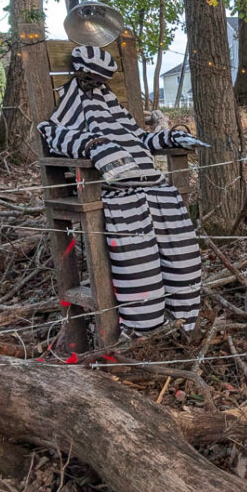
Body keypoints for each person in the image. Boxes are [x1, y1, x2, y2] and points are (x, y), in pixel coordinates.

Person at [38, 45, 205, 335]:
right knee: (140, 269)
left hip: (157, 188)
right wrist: (92, 145)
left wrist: (172, 137)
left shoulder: (114, 108)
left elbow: (141, 138)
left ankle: (182, 320)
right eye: (92, 79)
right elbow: (52, 133)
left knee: (185, 256)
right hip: (119, 193)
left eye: (102, 80)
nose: (97, 85)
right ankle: (144, 329)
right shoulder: (72, 106)